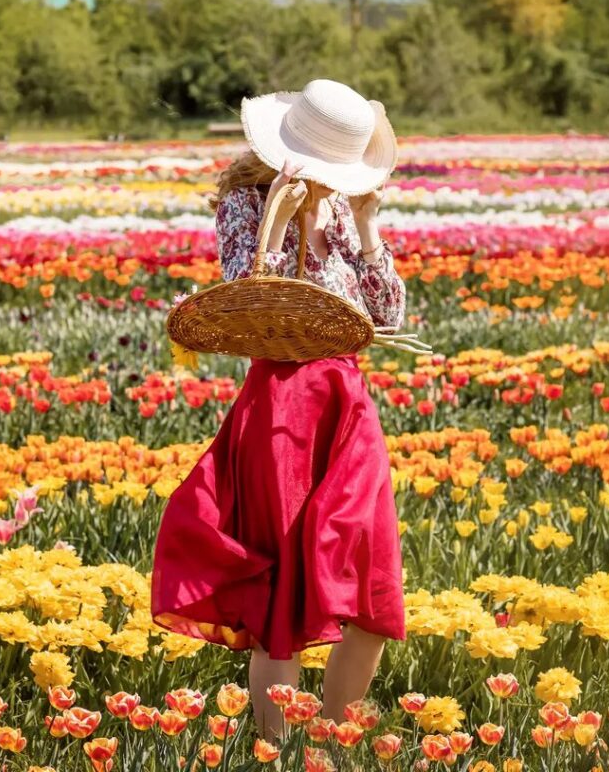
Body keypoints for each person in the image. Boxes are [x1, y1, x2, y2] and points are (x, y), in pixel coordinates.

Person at [150, 79, 407, 740]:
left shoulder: (345, 213)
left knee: (371, 594)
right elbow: (242, 297)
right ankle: (277, 752)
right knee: (282, 596)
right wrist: (274, 222)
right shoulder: (245, 199)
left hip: (346, 408)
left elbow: (387, 313)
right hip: (280, 413)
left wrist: (370, 221)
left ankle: (330, 744)